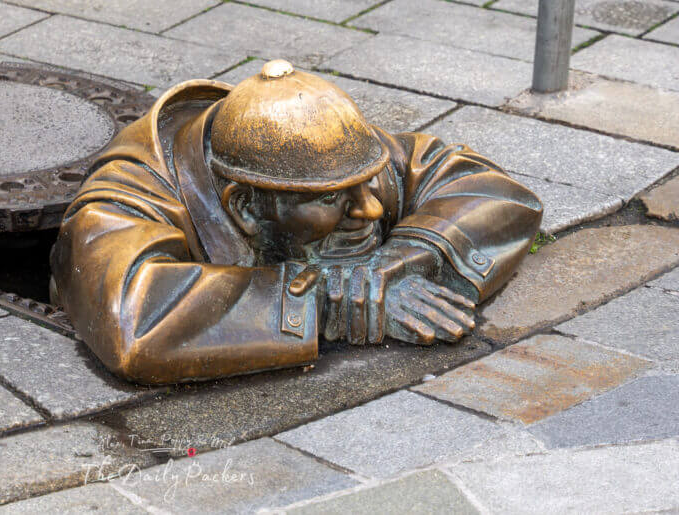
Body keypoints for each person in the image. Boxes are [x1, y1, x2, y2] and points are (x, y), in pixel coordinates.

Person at [51, 60, 542, 384]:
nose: (370, 208)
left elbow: (491, 189)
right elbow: (129, 315)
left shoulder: (336, 159)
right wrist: (324, 300)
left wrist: (404, 257)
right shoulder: (126, 197)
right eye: (332, 198)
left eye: (368, 184)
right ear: (244, 207)